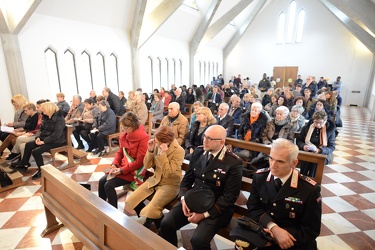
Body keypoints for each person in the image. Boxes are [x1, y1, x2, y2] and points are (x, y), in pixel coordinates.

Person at [160, 125, 242, 249]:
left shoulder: (233, 162)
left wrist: (204, 215)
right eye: (205, 136)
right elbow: (186, 181)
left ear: (222, 142)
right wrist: (183, 200)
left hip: (217, 208)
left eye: (210, 138)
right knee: (166, 223)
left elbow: (229, 197)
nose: (205, 140)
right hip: (195, 199)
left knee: (198, 241)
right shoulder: (199, 152)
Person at [230, 138, 322, 250]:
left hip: (293, 241)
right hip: (265, 233)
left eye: (280, 161)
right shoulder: (260, 177)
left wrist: (282, 235)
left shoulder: (309, 189)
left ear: (294, 163)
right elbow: (253, 208)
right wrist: (273, 228)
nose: (273, 165)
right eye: (271, 158)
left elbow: (311, 229)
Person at [125, 126, 184, 229]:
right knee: (131, 201)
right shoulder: (157, 145)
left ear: (165, 141)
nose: (155, 143)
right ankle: (154, 219)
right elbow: (147, 165)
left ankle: (157, 222)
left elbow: (167, 173)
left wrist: (163, 154)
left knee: (152, 208)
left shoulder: (179, 151)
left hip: (170, 184)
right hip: (155, 179)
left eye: (157, 142)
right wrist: (150, 151)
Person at [98, 112, 149, 208]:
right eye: (123, 128)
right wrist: (115, 165)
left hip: (134, 172)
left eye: (126, 128)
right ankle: (102, 210)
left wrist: (121, 170)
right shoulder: (125, 135)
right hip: (123, 168)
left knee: (108, 185)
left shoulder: (143, 138)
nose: (123, 130)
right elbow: (120, 152)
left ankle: (114, 214)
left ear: (133, 126)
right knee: (101, 181)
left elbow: (139, 162)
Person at [14, 102, 66, 180]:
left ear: (49, 109)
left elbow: (56, 134)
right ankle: (24, 164)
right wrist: (37, 138)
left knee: (36, 151)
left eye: (43, 109)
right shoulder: (45, 116)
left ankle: (42, 171)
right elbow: (40, 129)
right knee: (28, 145)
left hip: (57, 141)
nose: (42, 110)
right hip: (46, 139)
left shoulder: (59, 118)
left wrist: (44, 141)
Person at [297, 110, 336, 177]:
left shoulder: (330, 130)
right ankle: (302, 180)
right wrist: (303, 146)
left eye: (320, 122)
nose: (317, 124)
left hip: (323, 153)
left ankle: (313, 182)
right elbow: (299, 140)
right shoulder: (306, 128)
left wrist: (319, 150)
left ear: (325, 121)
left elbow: (331, 147)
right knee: (306, 159)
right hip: (307, 151)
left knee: (316, 161)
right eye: (315, 122)